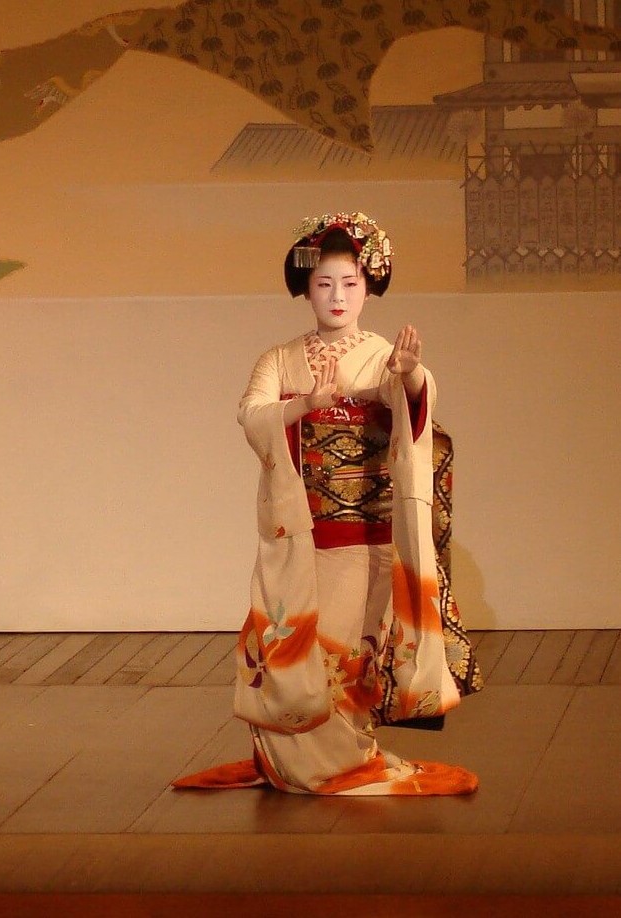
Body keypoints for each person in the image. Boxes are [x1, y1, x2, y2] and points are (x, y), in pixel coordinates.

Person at [174, 213, 477, 796]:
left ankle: (343, 756)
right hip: (299, 531)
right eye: (324, 284)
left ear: (369, 288)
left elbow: (410, 405)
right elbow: (252, 415)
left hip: (364, 531)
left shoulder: (382, 353)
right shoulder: (279, 359)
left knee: (349, 654)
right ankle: (291, 760)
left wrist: (410, 377)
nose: (337, 297)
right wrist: (305, 403)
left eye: (350, 284)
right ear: (306, 289)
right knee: (287, 649)